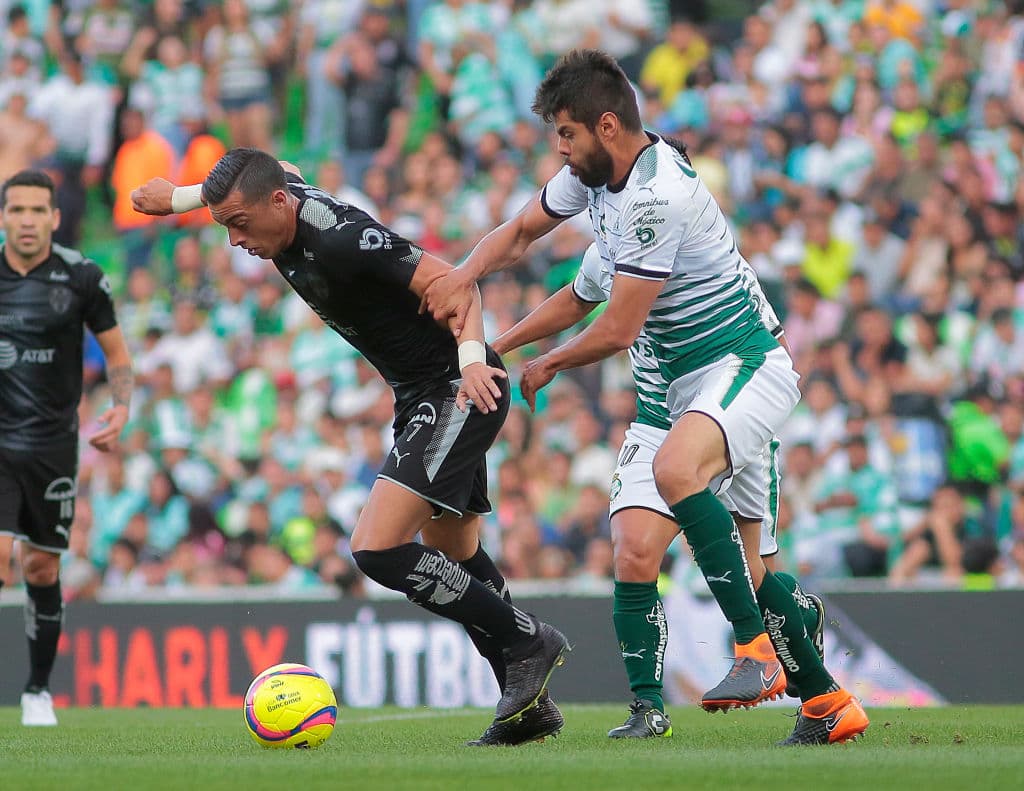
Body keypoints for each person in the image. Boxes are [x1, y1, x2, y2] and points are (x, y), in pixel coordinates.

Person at [423, 50, 868, 745]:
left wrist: (549, 364)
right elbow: (539, 255)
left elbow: (619, 326)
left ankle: (754, 647)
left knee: (678, 477)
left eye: (566, 135)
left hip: (742, 364)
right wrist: (468, 286)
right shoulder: (600, 188)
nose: (560, 152)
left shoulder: (657, 198)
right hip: (674, 394)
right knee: (644, 546)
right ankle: (826, 703)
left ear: (607, 126)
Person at [130, 148, 568, 746]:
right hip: (418, 393)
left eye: (237, 223)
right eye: (223, 223)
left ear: (279, 205)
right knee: (454, 547)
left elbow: (457, 288)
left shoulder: (345, 240)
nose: (233, 240)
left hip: (456, 388)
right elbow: (277, 167)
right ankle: (528, 706)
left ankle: (528, 641)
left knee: (377, 549)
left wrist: (470, 364)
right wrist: (181, 199)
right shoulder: (278, 198)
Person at [493, 241, 862, 744]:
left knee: (752, 574)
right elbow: (578, 295)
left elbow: (628, 327)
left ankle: (816, 686)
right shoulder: (618, 229)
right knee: (634, 552)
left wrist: (552, 360)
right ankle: (648, 707)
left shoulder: (690, 237)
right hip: (656, 416)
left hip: (732, 396)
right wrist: (503, 345)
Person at [0, 169, 134, 726]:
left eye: (38, 211)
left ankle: (36, 690)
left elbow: (118, 357)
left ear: (54, 218)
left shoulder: (82, 276)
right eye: (17, 210)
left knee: (40, 570)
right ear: (4, 217)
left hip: (54, 445)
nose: (27, 220)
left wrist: (121, 407)